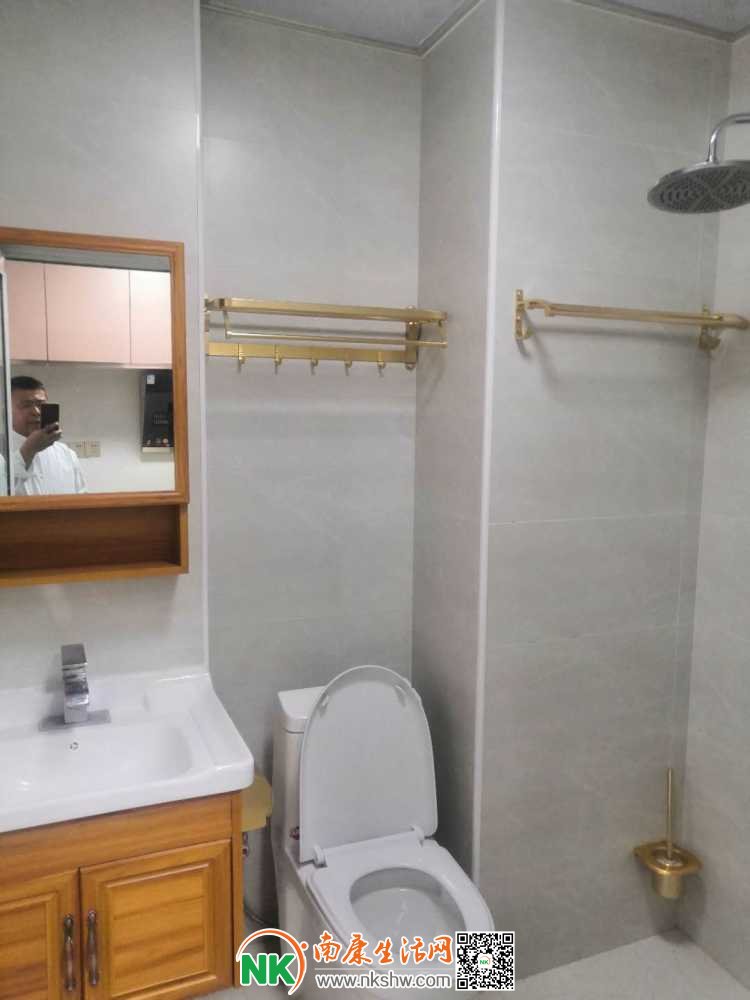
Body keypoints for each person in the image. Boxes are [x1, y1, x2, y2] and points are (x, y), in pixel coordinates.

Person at [11, 375, 86, 495]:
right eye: (26, 405)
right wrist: (28, 451)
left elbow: (82, 498)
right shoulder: (3, 453)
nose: (36, 412)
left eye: (41, 405)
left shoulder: (66, 454)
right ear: (6, 411)